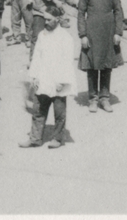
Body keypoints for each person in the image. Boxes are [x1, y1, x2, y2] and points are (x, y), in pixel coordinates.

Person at [21, 8, 76, 149]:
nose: (46, 22)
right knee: (38, 110)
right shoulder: (42, 35)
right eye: (45, 19)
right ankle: (35, 138)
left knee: (59, 112)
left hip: (58, 80)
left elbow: (68, 61)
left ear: (57, 19)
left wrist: (62, 81)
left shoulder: (65, 37)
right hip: (44, 78)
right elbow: (37, 57)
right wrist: (34, 76)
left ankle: (57, 138)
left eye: (49, 19)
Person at [77, 0, 124, 114]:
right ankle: (93, 98)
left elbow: (118, 11)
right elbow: (81, 13)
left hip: (108, 33)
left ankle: (104, 97)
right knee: (91, 67)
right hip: (91, 33)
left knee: (106, 66)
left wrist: (118, 32)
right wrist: (83, 35)